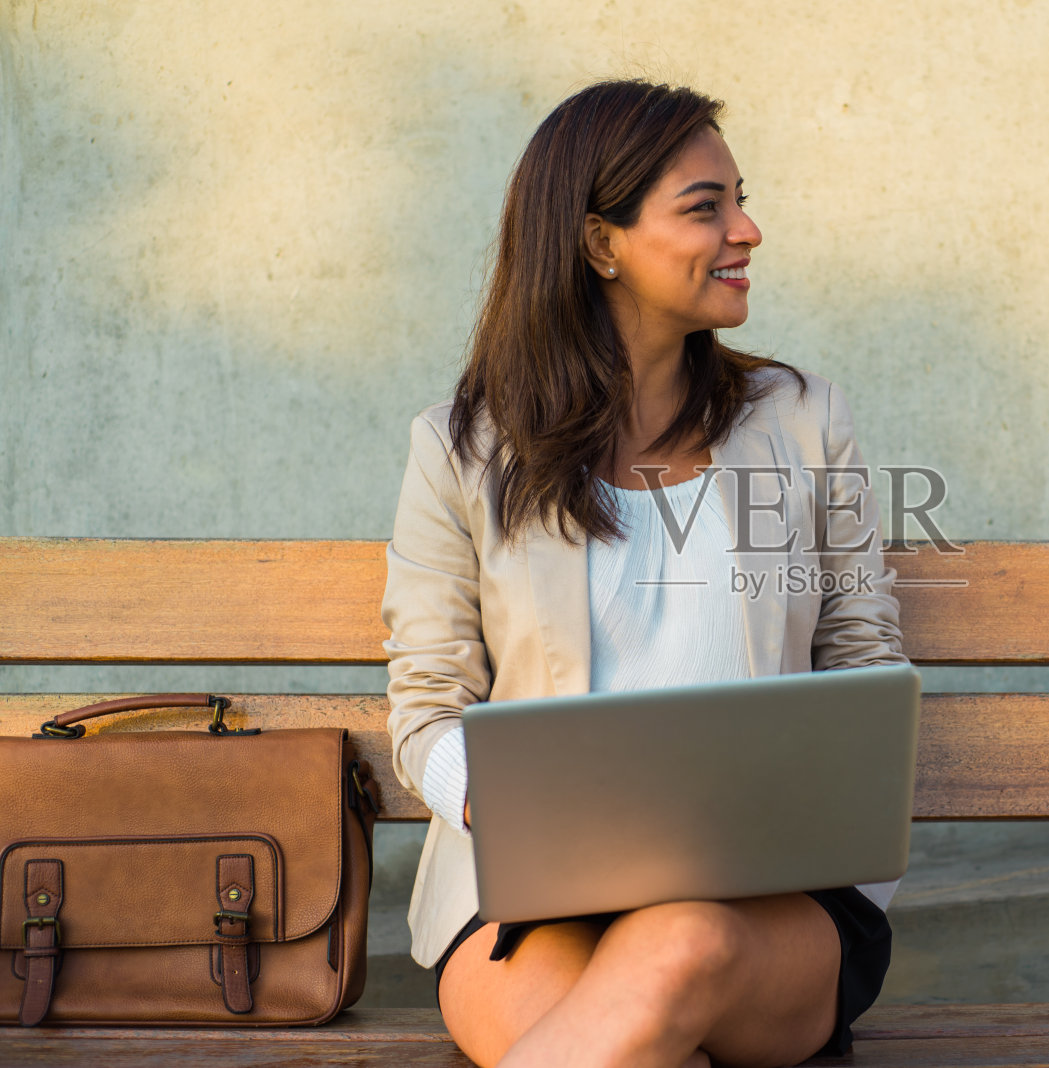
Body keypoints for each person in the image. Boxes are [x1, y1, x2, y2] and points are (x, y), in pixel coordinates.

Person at [382, 79, 908, 1068]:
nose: (746, 230)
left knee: (677, 950)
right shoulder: (460, 450)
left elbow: (863, 662)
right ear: (599, 244)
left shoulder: (802, 422)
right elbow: (426, 708)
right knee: (647, 1035)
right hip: (525, 909)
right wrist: (515, 807)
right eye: (705, 208)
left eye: (738, 199)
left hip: (768, 907)